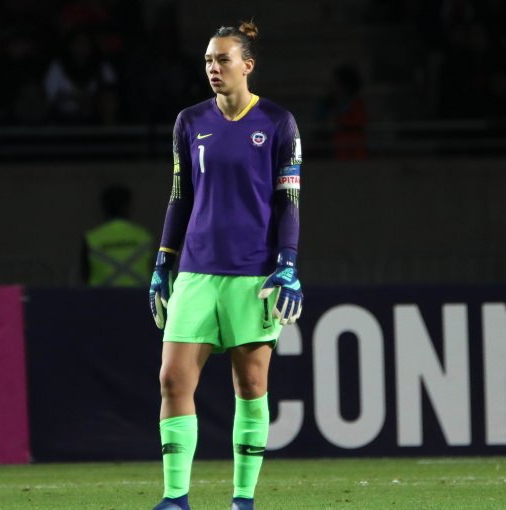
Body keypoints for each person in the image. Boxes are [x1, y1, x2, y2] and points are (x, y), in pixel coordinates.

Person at [147, 20, 303, 510]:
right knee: (172, 379)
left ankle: (242, 499)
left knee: (251, 385)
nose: (214, 68)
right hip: (195, 271)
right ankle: (175, 498)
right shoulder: (190, 121)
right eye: (209, 61)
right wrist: (162, 264)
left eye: (224, 60)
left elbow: (288, 203)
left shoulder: (278, 122)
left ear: (247, 66)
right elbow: (179, 197)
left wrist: (289, 265)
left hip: (253, 274)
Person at [81, 184, 153, 287]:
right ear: (128, 206)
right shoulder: (144, 236)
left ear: (103, 207)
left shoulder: (92, 238)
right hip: (139, 298)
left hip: (100, 299)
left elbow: (85, 275)